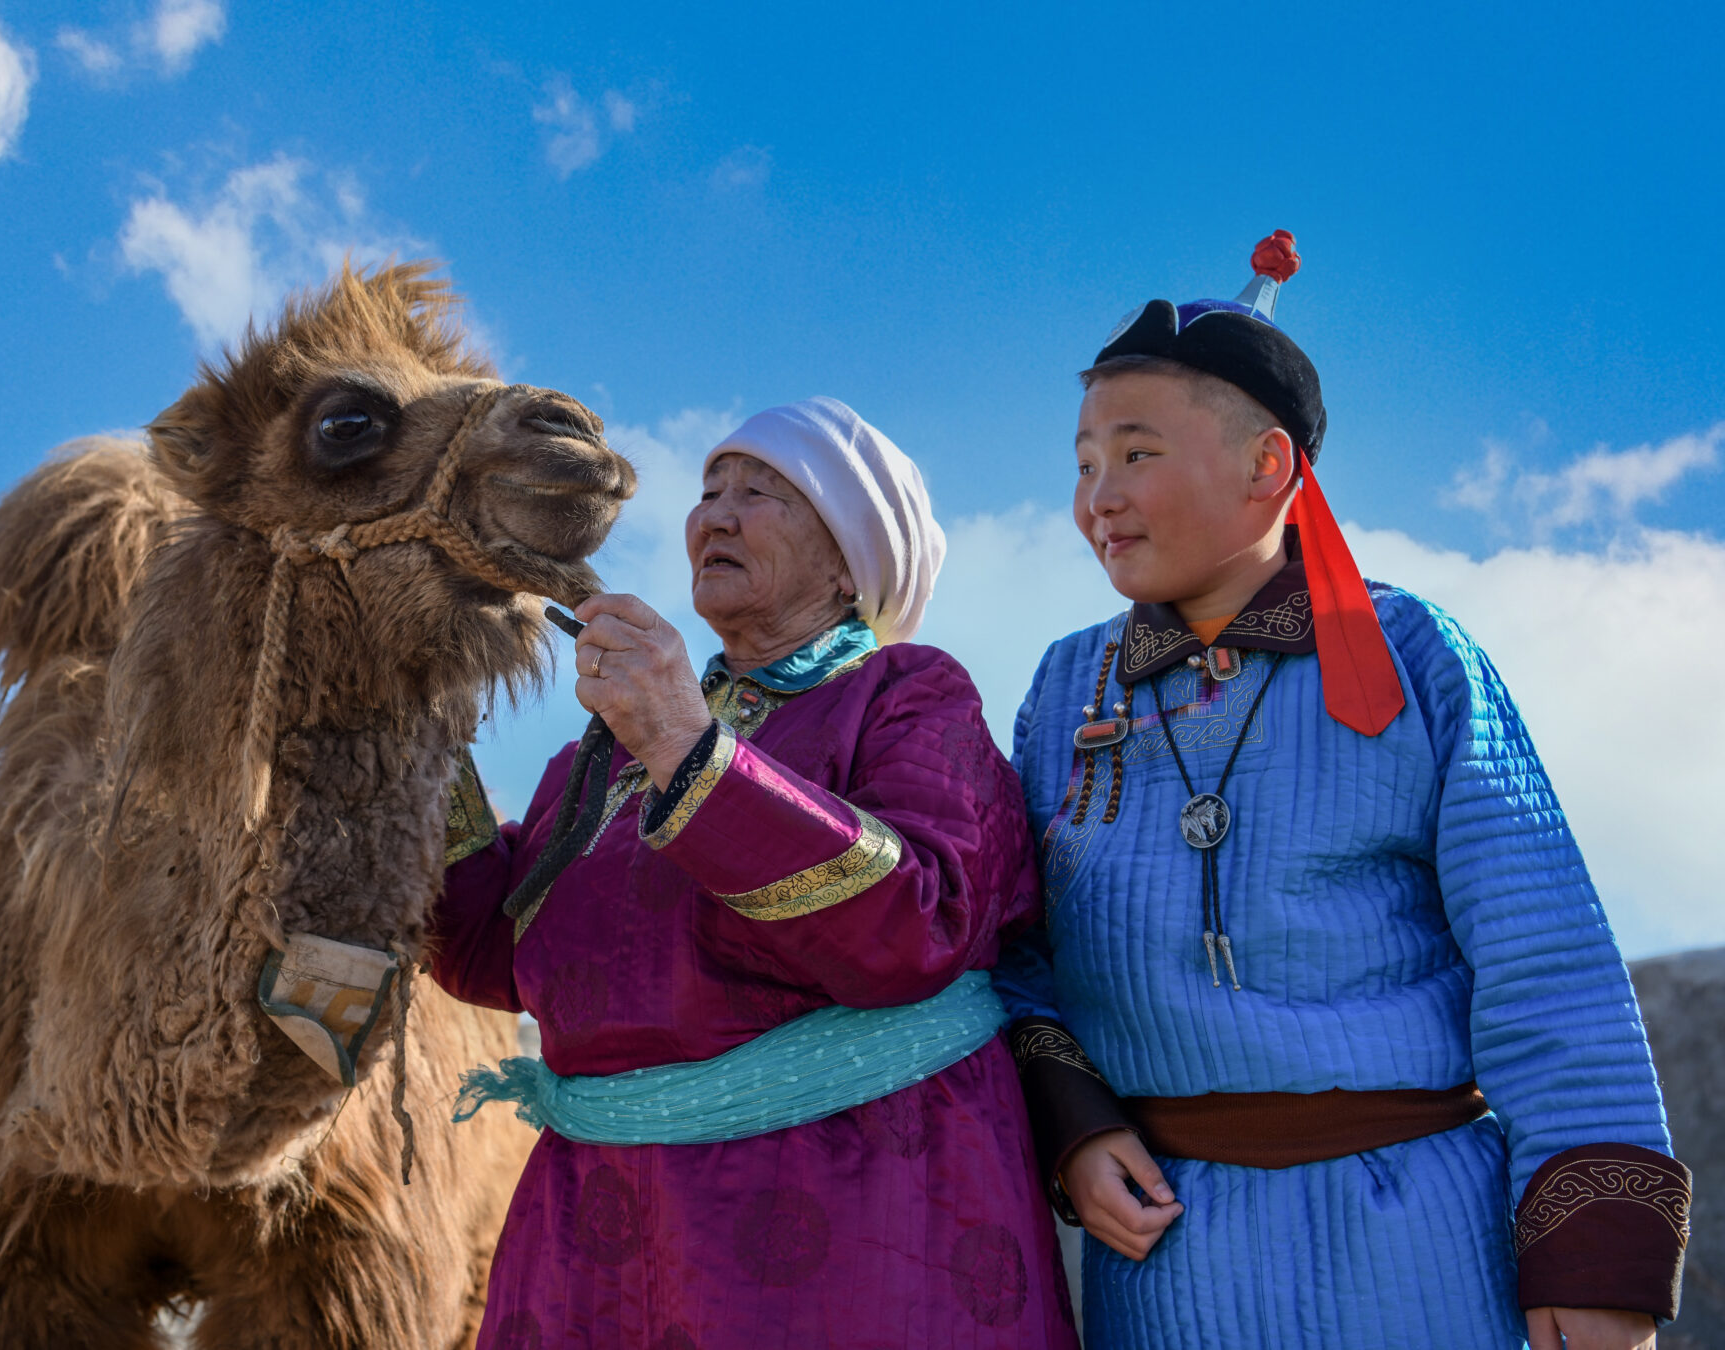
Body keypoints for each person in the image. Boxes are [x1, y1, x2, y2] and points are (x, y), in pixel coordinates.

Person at [993, 233, 1690, 1350]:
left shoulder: (1413, 654)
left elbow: (1542, 953)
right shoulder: (1064, 687)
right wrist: (1072, 1127)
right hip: (1167, 1255)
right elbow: (1013, 950)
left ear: (1266, 467)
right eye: (1081, 463)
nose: (1095, 498)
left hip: (1413, 1243)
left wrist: (1592, 1257)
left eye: (1133, 455)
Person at [432, 396, 1078, 1348]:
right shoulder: (600, 756)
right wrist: (423, 730)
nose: (718, 514)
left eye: (764, 492)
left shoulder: (907, 695)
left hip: (854, 1206)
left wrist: (688, 749)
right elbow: (496, 958)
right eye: (710, 490)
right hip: (594, 1230)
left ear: (848, 556)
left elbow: (920, 927)